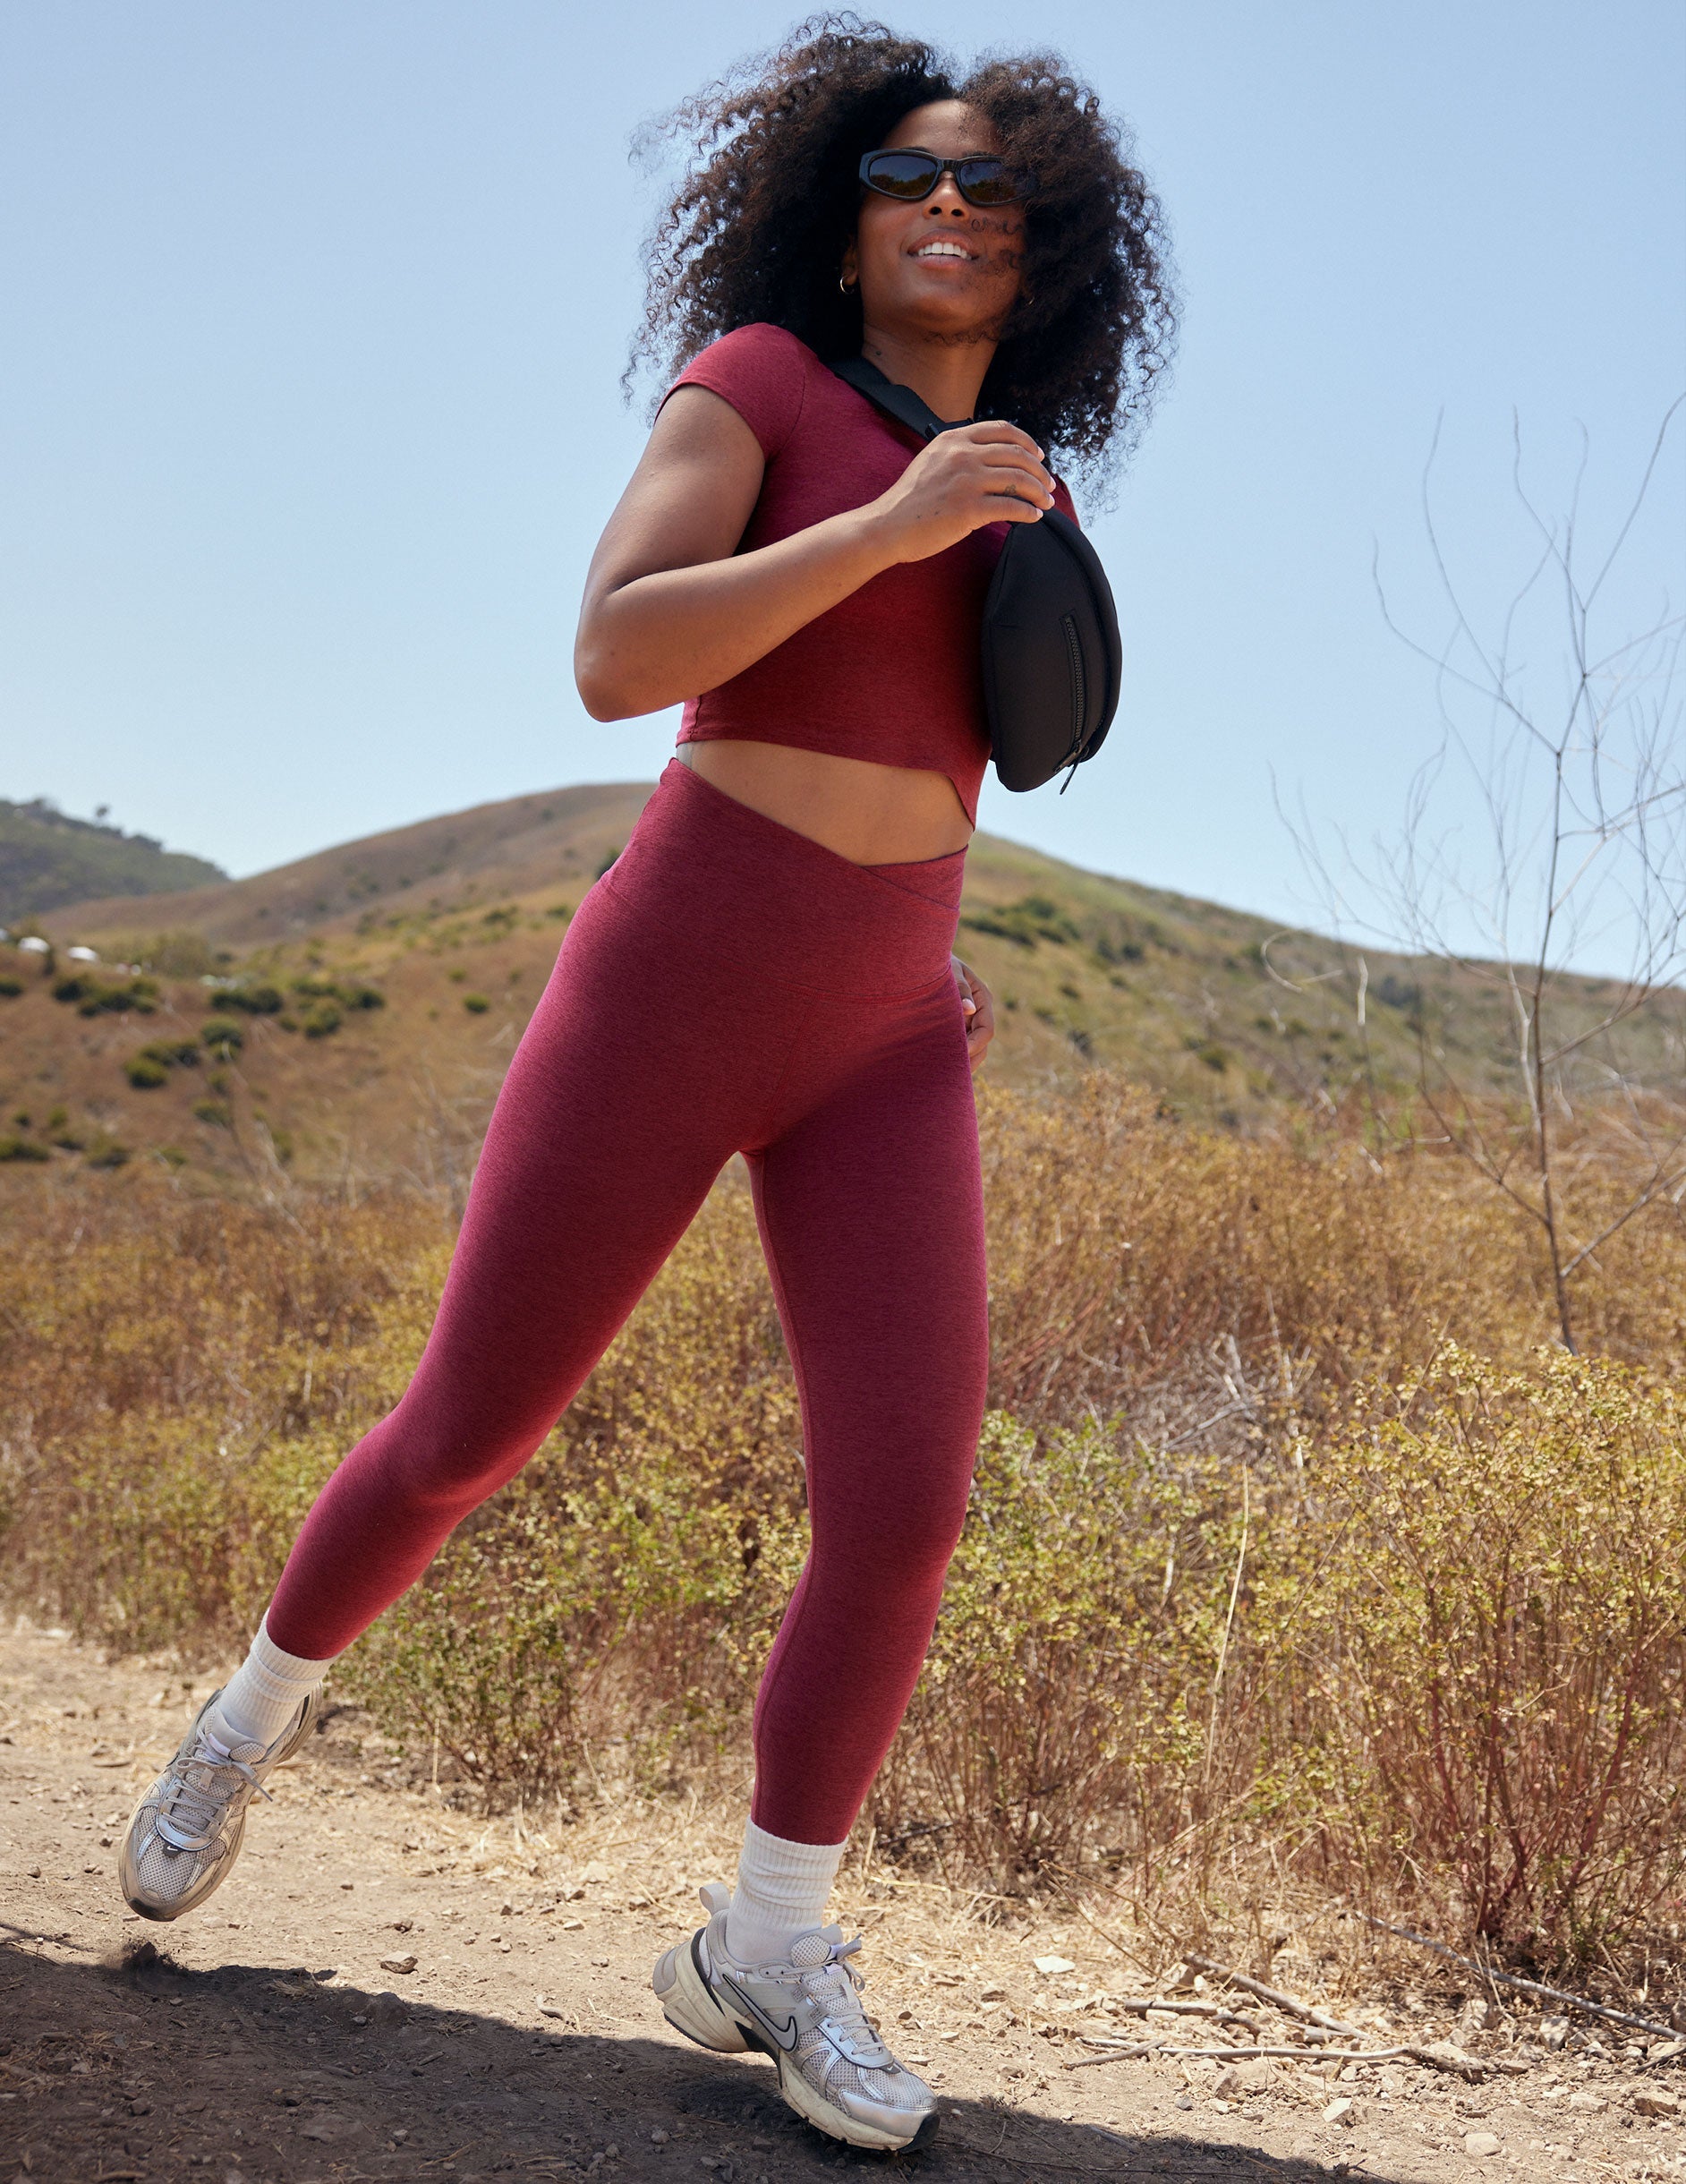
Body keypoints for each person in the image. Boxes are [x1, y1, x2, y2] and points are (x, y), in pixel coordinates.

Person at [118, 19, 1173, 2154]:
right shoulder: (759, 388)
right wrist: (890, 526)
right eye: (909, 173)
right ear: (838, 207)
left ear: (1052, 249)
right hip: (675, 972)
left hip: (888, 1026)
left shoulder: (1019, 468)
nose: (952, 206)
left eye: (995, 188)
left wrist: (974, 557)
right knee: (466, 1430)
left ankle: (766, 1941)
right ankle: (251, 1714)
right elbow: (621, 653)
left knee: (906, 1502)